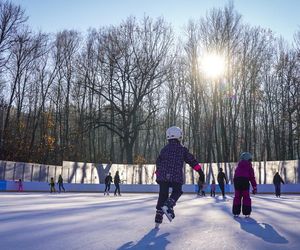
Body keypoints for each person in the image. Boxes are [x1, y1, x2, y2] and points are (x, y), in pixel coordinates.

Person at [155, 126, 204, 227]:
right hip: (175, 176)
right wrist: (200, 171)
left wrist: (158, 175)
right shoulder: (182, 149)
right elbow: (191, 160)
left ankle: (158, 219)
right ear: (179, 136)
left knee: (162, 195)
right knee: (177, 191)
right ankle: (168, 205)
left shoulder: (164, 149)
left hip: (163, 177)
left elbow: (158, 162)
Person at [232, 152, 257, 217]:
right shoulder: (249, 166)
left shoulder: (238, 166)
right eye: (250, 160)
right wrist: (254, 187)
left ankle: (236, 212)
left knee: (237, 197)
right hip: (245, 181)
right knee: (246, 197)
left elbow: (235, 176)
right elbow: (252, 177)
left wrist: (235, 183)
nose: (250, 161)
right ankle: (246, 212)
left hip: (237, 181)